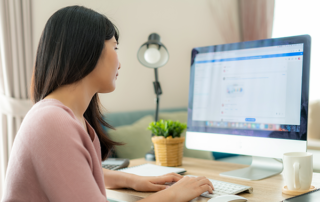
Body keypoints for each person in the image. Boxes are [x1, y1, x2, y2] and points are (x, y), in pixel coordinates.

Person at [2, 6, 213, 202]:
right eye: (115, 47)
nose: (119, 62)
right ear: (86, 50)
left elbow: (75, 172)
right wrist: (174, 195)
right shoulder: (51, 121)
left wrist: (133, 180)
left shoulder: (66, 117)